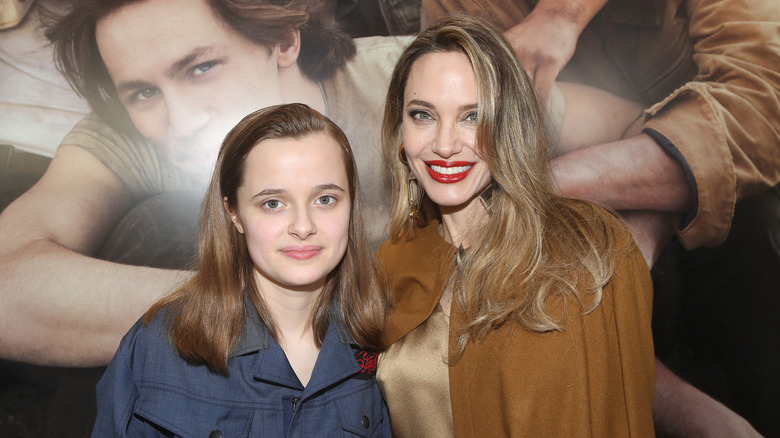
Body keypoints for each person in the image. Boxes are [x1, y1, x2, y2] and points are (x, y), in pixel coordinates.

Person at [422, 1, 780, 435]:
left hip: (736, 232)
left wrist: (557, 187)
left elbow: (763, 107)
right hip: (573, 260)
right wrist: (689, 412)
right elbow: (471, 182)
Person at [0, 0, 409, 368]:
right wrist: (249, 303)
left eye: (201, 69)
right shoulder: (131, 138)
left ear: (283, 40)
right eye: (144, 92)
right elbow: (8, 283)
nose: (181, 122)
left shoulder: (408, 86)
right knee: (163, 222)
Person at [376, 15, 655, 436]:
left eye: (473, 116)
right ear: (400, 131)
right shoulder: (388, 266)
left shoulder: (593, 248)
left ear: (509, 123)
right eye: (423, 115)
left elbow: (627, 417)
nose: (446, 144)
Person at [92, 103, 390, 436]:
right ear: (233, 212)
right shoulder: (156, 348)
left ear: (352, 204)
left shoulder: (385, 344)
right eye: (273, 203)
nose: (303, 227)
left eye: (325, 199)